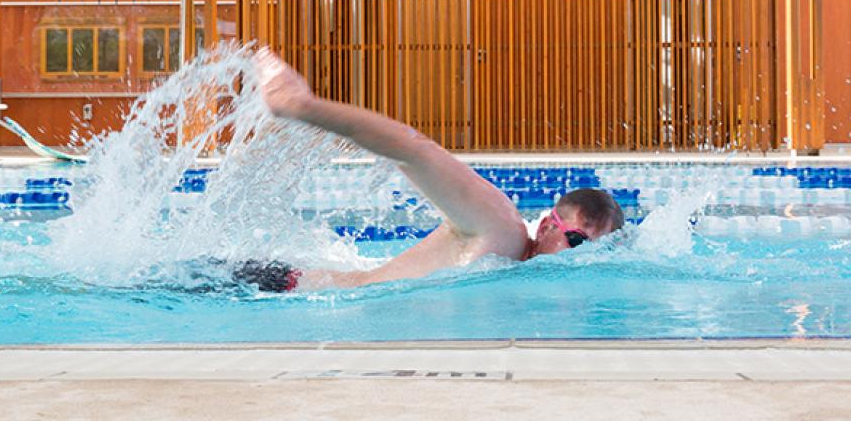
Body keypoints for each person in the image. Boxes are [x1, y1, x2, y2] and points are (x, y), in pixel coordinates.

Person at [241, 49, 625, 292]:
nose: (581, 259)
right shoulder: (499, 228)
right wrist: (300, 106)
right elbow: (416, 151)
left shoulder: (529, 283)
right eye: (576, 241)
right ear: (546, 227)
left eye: (599, 252)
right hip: (273, 289)